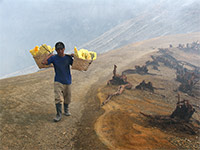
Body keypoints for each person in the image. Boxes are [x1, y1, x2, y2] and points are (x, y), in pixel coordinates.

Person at [42, 42, 73, 122]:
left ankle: (66, 110)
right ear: (56, 50)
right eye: (58, 50)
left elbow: (76, 64)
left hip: (67, 81)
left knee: (67, 97)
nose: (59, 51)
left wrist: (75, 57)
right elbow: (43, 62)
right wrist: (50, 55)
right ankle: (58, 114)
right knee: (58, 98)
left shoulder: (68, 58)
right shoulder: (54, 58)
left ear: (64, 49)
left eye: (61, 49)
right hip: (58, 81)